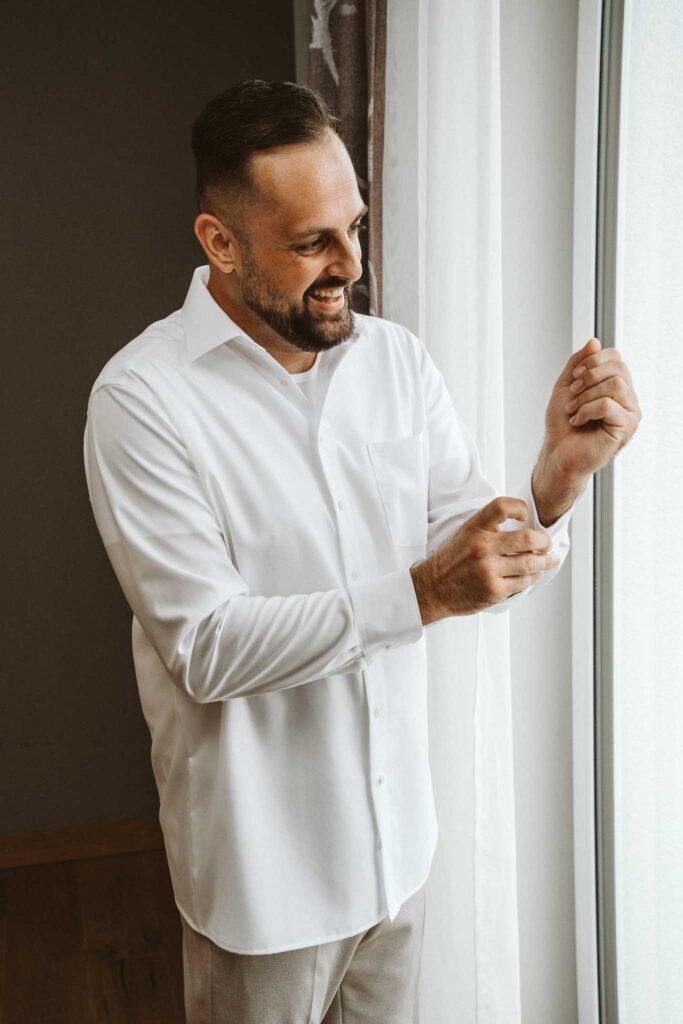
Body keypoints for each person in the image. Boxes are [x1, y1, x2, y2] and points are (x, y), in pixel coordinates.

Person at [82, 79, 640, 1023]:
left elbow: (476, 569)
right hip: (265, 883)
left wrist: (555, 481)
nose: (351, 263)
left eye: (356, 227)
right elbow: (207, 648)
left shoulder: (396, 363)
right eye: (312, 242)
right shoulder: (140, 401)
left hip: (398, 859)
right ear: (219, 244)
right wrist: (420, 592)